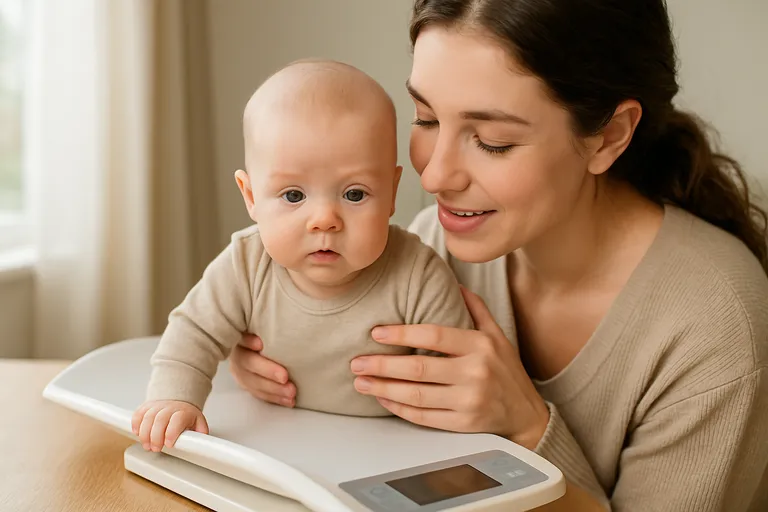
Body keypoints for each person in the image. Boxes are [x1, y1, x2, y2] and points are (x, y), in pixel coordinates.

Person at [228, 1, 768, 510]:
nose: (435, 175)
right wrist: (278, 356)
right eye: (426, 119)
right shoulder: (430, 250)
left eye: (492, 141)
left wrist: (527, 428)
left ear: (609, 135)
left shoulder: (716, 328)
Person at [131, 59, 473, 453]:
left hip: (388, 451)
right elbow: (194, 334)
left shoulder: (418, 275)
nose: (325, 220)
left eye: (355, 194)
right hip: (276, 443)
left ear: (392, 193)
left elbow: (456, 379)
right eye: (294, 195)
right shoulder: (246, 264)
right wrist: (175, 398)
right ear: (251, 197)